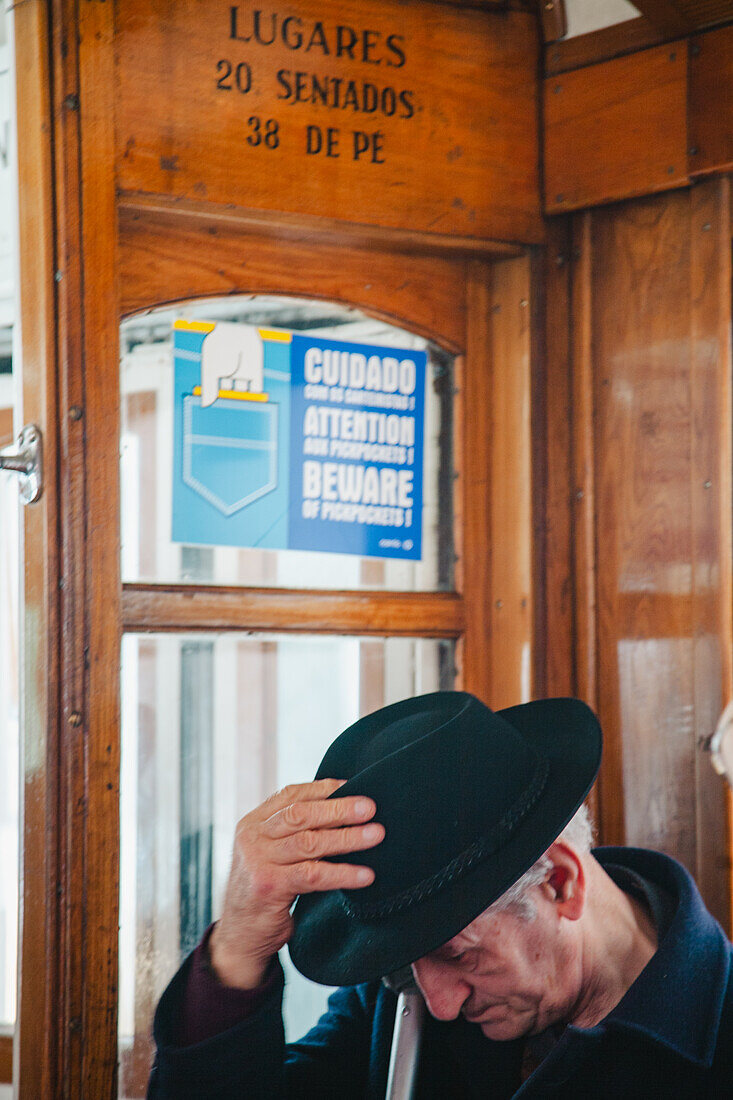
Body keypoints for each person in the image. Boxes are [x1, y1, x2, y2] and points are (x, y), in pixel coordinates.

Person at [147, 692, 733, 1097]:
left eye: (459, 953)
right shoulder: (405, 992)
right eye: (412, 962)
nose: (442, 1003)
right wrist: (238, 951)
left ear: (561, 882)